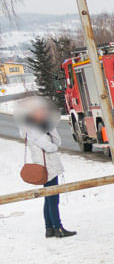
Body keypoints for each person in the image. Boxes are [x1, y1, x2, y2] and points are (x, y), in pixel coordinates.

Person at [16, 97, 76, 238]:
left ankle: (49, 228)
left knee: (48, 198)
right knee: (53, 198)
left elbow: (58, 141)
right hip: (47, 167)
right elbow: (50, 147)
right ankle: (58, 228)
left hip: (46, 166)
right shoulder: (33, 128)